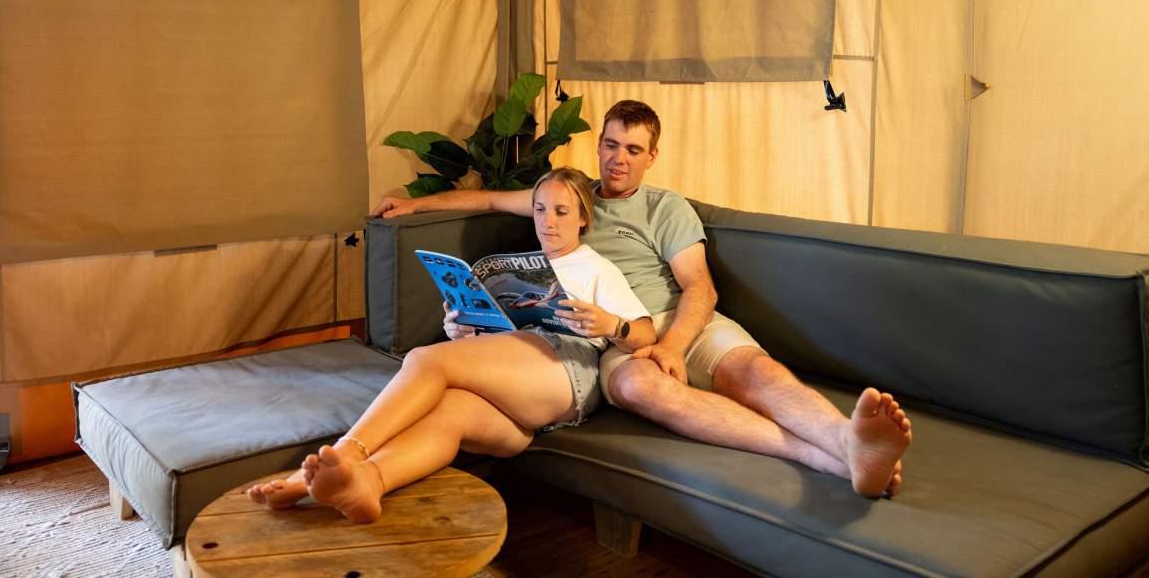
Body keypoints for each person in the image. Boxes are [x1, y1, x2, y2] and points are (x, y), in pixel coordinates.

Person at [374, 100, 912, 498]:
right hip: (614, 334)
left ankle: (847, 438)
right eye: (611, 145)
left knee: (752, 371)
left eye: (633, 150)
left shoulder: (665, 208)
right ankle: (832, 460)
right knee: (638, 386)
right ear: (598, 146)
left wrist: (673, 345)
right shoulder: (569, 197)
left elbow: (700, 286)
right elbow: (492, 199)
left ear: (651, 156)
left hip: (683, 320)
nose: (618, 159)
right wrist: (415, 205)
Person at [248, 167, 655, 520]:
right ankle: (369, 481)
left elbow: (645, 334)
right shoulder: (521, 266)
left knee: (426, 359)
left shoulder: (597, 268)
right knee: (449, 412)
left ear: (583, 217)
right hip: (522, 394)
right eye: (539, 209)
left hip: (565, 368)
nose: (548, 221)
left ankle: (344, 454)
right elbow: (501, 342)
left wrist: (612, 324)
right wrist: (466, 330)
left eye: (561, 212)